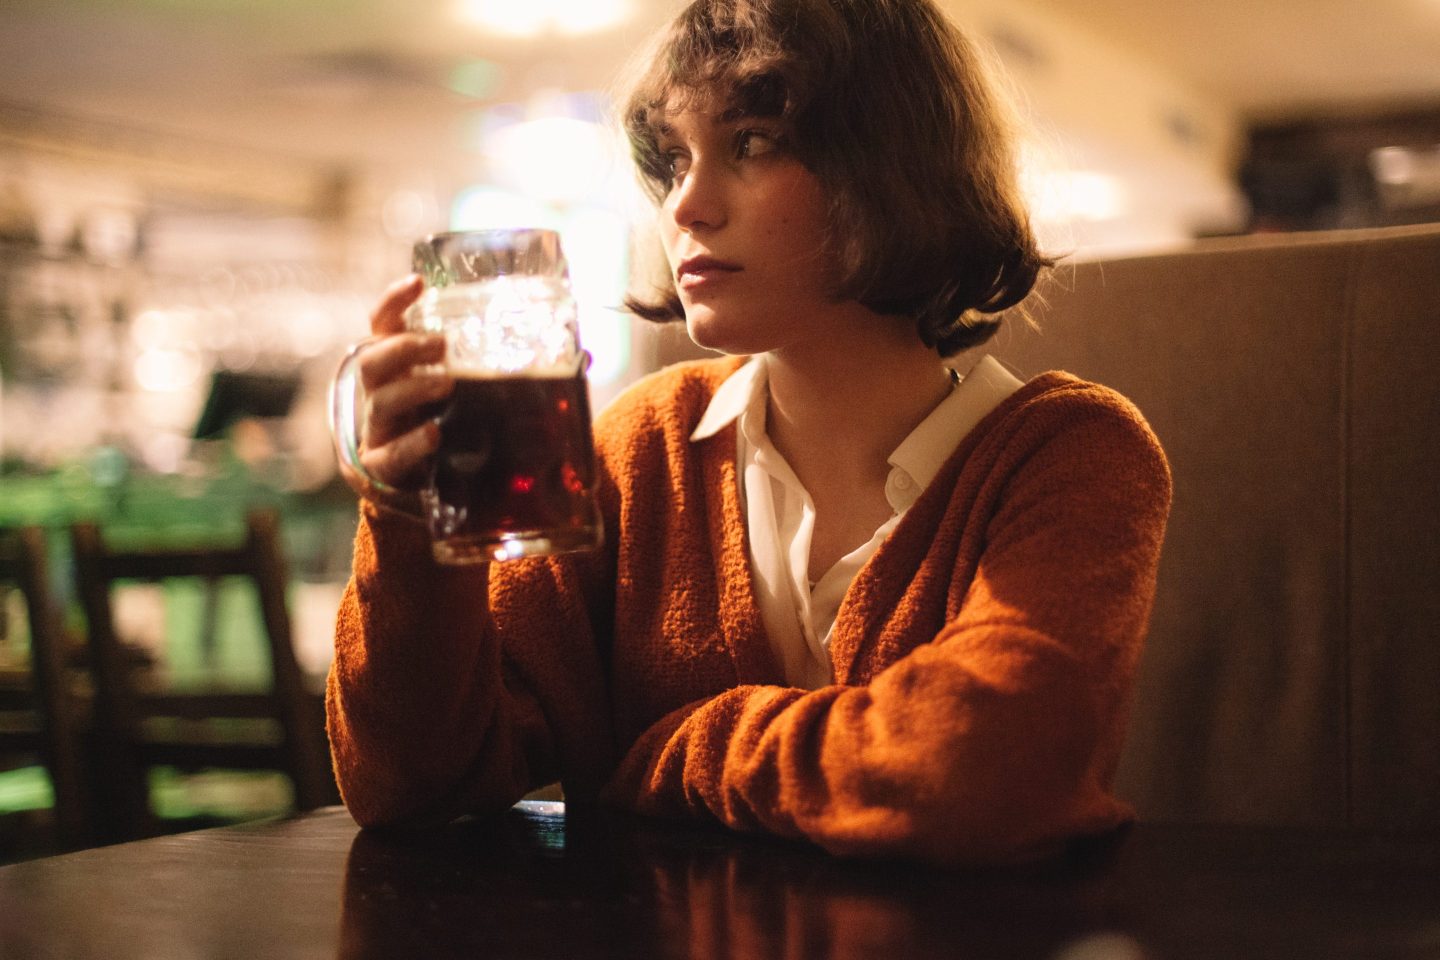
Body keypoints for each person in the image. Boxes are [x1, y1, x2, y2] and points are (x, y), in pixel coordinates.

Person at [327, 0, 1171, 866]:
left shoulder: (1072, 452)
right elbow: (412, 784)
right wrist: (406, 518)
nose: (686, 205)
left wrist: (681, 750)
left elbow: (982, 771)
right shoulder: (639, 447)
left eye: (753, 142)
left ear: (893, 167)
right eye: (673, 158)